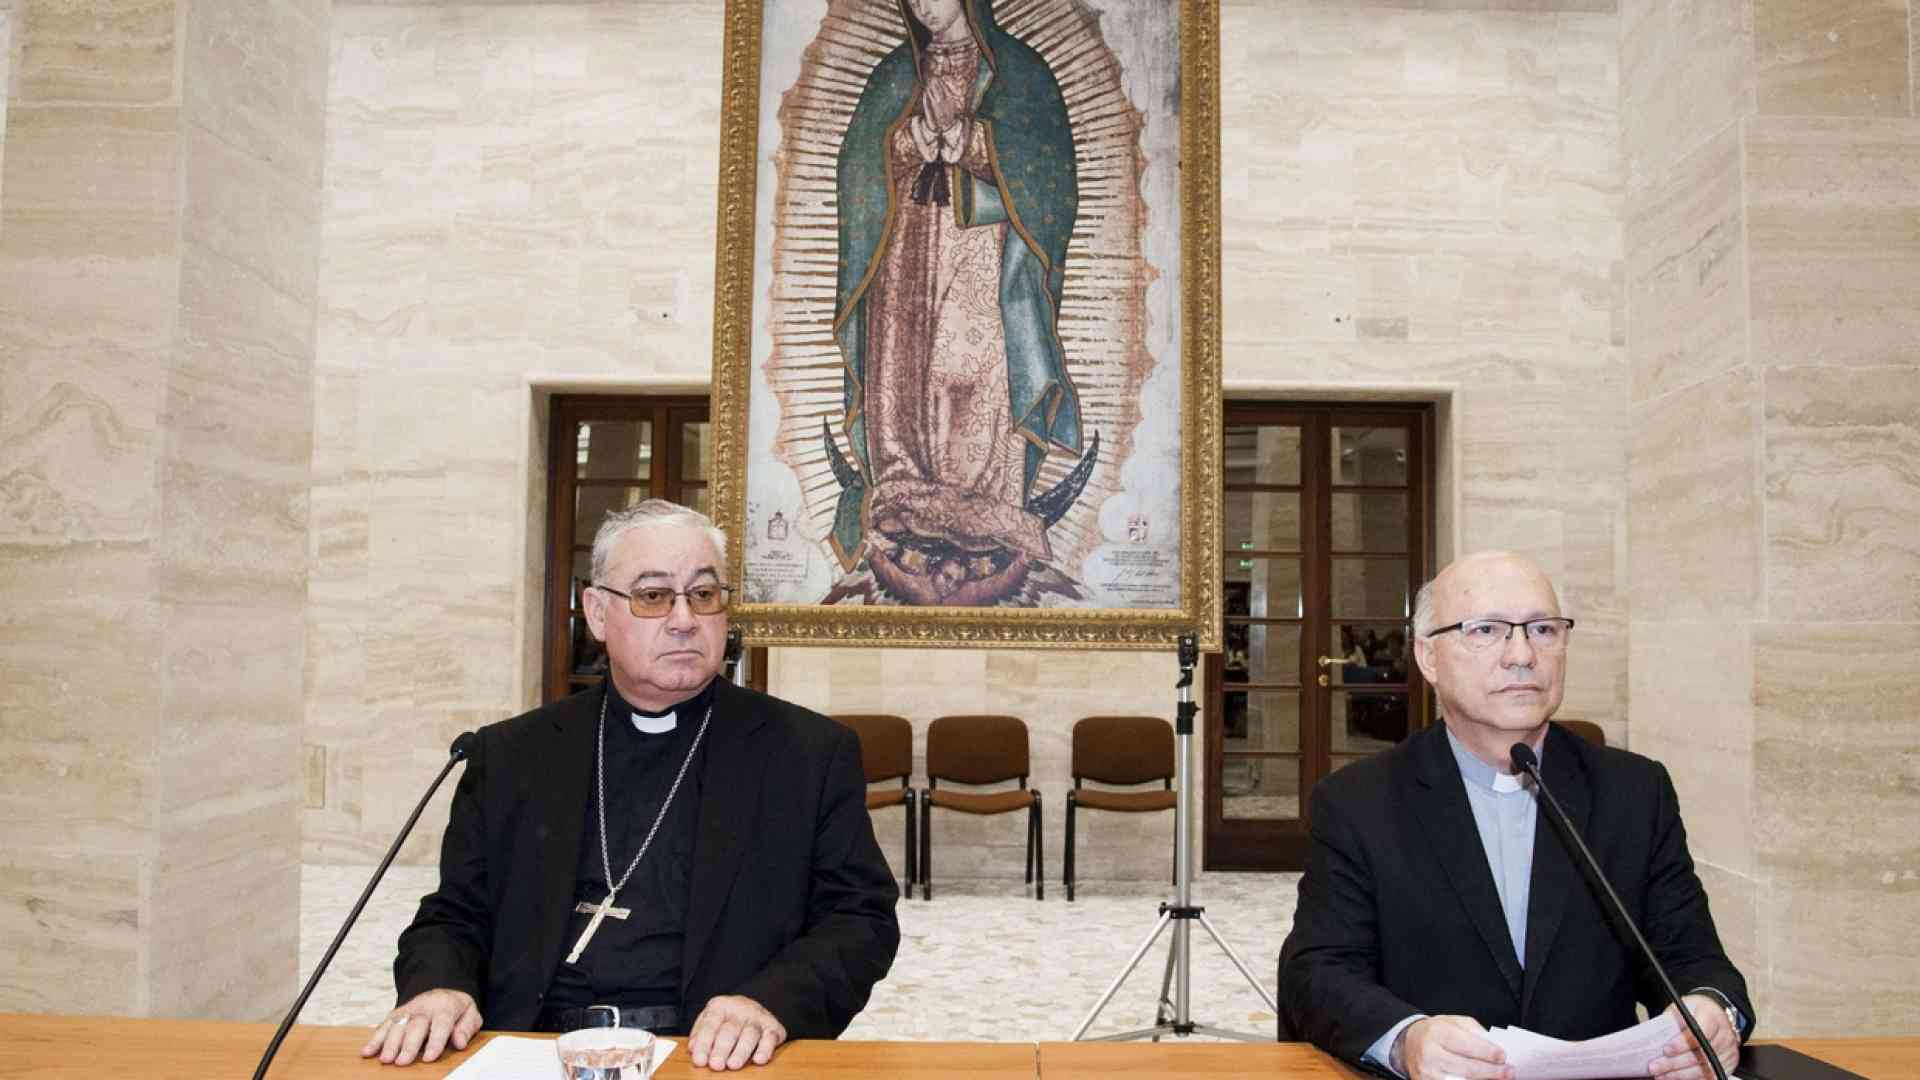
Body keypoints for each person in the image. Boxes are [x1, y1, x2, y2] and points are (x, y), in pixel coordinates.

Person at [363, 501, 900, 1070]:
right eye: (653, 595)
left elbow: (860, 919)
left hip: (710, 1054)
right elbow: (454, 914)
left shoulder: (806, 753)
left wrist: (770, 1002)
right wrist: (439, 986)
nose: (684, 618)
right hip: (534, 1047)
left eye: (704, 594)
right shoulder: (511, 754)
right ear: (597, 613)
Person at [1277, 552, 1752, 1080]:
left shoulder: (1635, 792)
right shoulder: (1358, 802)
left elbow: (1693, 959)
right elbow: (1318, 972)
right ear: (1428, 657)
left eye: (1543, 630)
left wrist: (1712, 1012)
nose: (1522, 655)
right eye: (1487, 630)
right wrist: (1406, 1039)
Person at [828, 0, 1084, 604]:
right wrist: (904, 143)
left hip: (982, 249)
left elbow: (1051, 178)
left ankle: (983, 499)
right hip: (905, 250)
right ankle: (904, 484)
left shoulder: (1020, 73)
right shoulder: (896, 74)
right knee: (904, 367)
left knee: (971, 367)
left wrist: (974, 143)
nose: (922, 5)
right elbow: (857, 168)